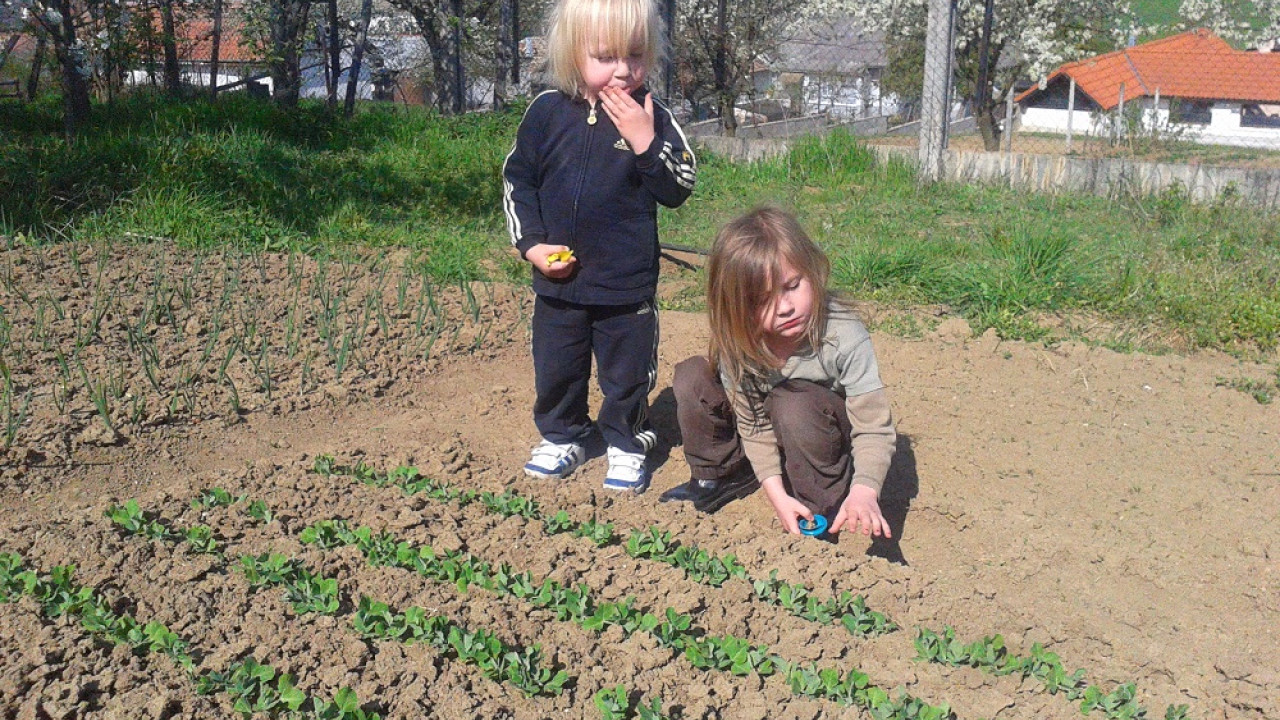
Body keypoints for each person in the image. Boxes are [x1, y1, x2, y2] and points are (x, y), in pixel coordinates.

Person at [502, 0, 696, 493]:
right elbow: (518, 181)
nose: (624, 71)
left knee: (625, 373)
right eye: (607, 56)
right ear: (573, 54)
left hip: (625, 285)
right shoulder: (546, 114)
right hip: (558, 283)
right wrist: (532, 246)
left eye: (636, 55)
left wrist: (644, 141)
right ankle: (563, 434)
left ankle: (627, 441)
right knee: (557, 367)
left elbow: (679, 187)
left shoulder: (653, 115)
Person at [661, 207, 896, 537]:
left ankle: (823, 505)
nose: (785, 307)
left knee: (792, 403)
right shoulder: (739, 339)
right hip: (770, 426)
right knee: (692, 376)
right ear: (736, 306)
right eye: (762, 301)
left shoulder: (843, 336)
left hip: (820, 432)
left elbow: (874, 428)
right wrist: (774, 491)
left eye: (793, 285)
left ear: (811, 270)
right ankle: (721, 473)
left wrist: (865, 490)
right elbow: (752, 423)